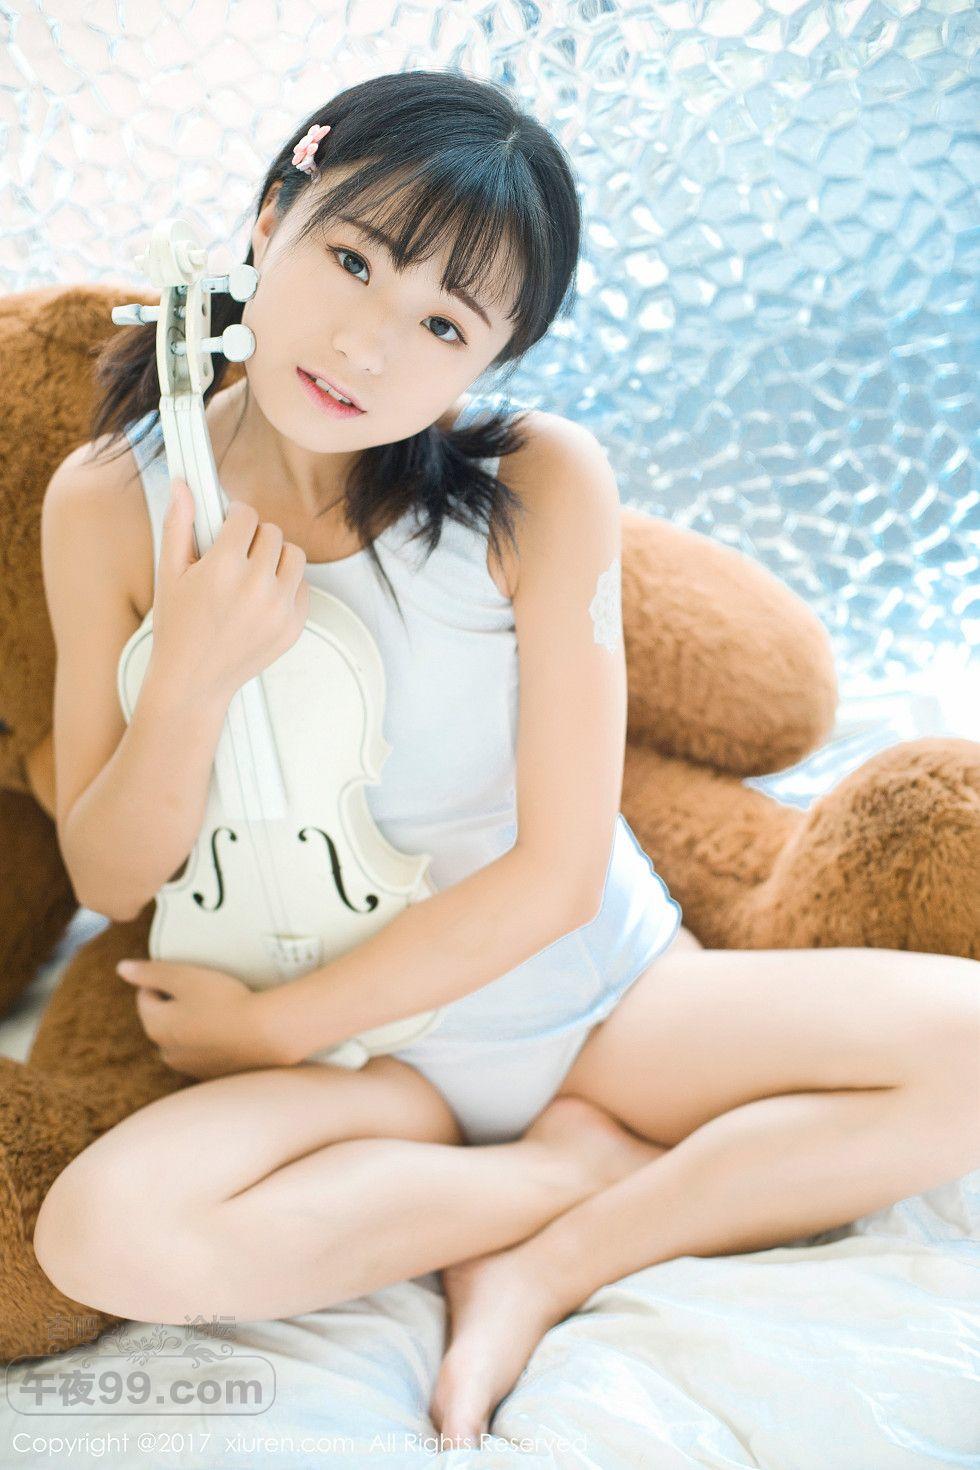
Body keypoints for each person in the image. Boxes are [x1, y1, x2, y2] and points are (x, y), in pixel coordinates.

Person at [32, 68, 980, 1451]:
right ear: (273, 217)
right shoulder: (113, 499)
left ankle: (555, 1248)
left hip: (594, 997)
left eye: (442, 323)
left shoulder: (539, 486)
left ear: (489, 360)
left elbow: (559, 874)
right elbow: (112, 878)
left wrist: (271, 1028)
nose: (366, 346)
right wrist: (187, 679)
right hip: (369, 1064)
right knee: (103, 1236)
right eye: (352, 259)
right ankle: (557, 1173)